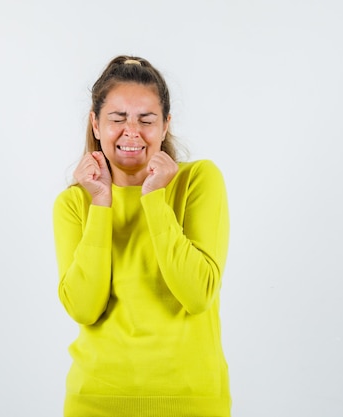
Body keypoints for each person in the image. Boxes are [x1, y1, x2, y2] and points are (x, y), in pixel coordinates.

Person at [52, 55, 231, 417]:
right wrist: (101, 202)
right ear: (96, 124)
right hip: (95, 403)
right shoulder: (74, 203)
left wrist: (154, 198)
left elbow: (198, 296)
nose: (131, 131)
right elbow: (84, 308)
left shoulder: (199, 181)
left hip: (191, 403)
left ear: (165, 125)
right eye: (118, 119)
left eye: (146, 120)